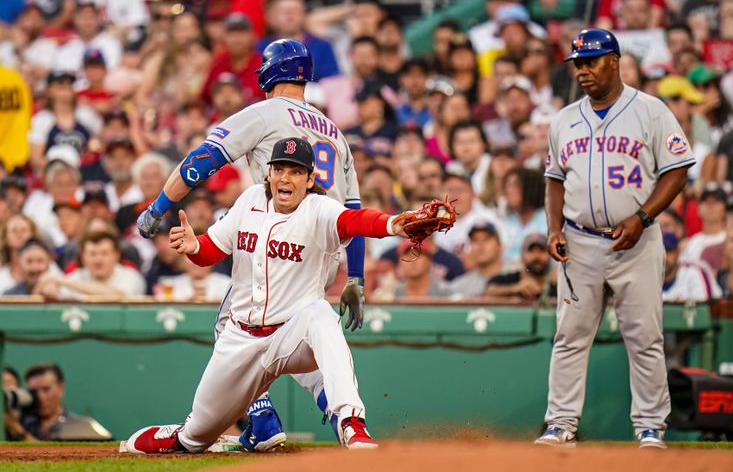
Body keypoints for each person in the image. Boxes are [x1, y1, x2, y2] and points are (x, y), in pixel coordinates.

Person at [135, 38, 366, 452]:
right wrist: (358, 276)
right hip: (324, 245)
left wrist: (159, 206)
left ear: (269, 72)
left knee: (236, 322)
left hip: (281, 231)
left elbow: (202, 160)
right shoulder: (335, 131)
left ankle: (260, 417)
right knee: (305, 327)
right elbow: (352, 207)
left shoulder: (265, 112)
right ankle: (341, 417)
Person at [125, 137, 424, 453]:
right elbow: (212, 249)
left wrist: (393, 224)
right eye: (279, 168)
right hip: (239, 340)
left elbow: (354, 220)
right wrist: (194, 246)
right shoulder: (249, 200)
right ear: (268, 173)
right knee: (195, 438)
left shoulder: (318, 209)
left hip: (290, 336)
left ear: (309, 180)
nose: (285, 177)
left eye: (295, 172)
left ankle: (351, 423)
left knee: (321, 315)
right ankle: (183, 434)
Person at [536, 28, 694, 449]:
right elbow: (554, 180)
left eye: (591, 61)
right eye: (578, 64)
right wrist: (554, 229)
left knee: (644, 337)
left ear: (615, 60)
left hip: (637, 242)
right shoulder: (565, 119)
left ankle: (649, 428)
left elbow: (677, 169)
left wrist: (644, 216)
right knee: (570, 337)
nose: (583, 70)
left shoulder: (651, 110)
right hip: (579, 242)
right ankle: (561, 424)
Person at [485, 232, 556, 300]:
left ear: (550, 255)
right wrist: (515, 289)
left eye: (541, 251)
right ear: (521, 256)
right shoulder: (508, 280)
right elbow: (488, 291)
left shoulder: (557, 285)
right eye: (531, 251)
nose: (536, 256)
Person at [448, 222, 504, 299]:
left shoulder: (517, 275)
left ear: (499, 245)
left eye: (486, 239)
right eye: (475, 240)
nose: (480, 245)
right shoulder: (459, 286)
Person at [661, 232, 720, 303]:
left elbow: (706, 309)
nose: (663, 257)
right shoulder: (648, 278)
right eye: (658, 252)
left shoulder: (694, 272)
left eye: (668, 251)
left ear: (678, 252)